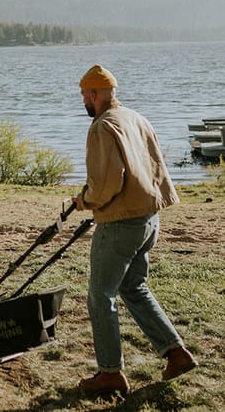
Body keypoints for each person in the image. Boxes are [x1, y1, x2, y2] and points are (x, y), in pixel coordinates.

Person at [71, 64, 198, 395]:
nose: (83, 100)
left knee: (101, 295)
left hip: (119, 223)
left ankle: (110, 374)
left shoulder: (102, 126)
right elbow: (156, 165)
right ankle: (176, 353)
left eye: (84, 95)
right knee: (133, 287)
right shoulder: (135, 118)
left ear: (95, 94)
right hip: (148, 219)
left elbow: (107, 183)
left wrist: (85, 200)